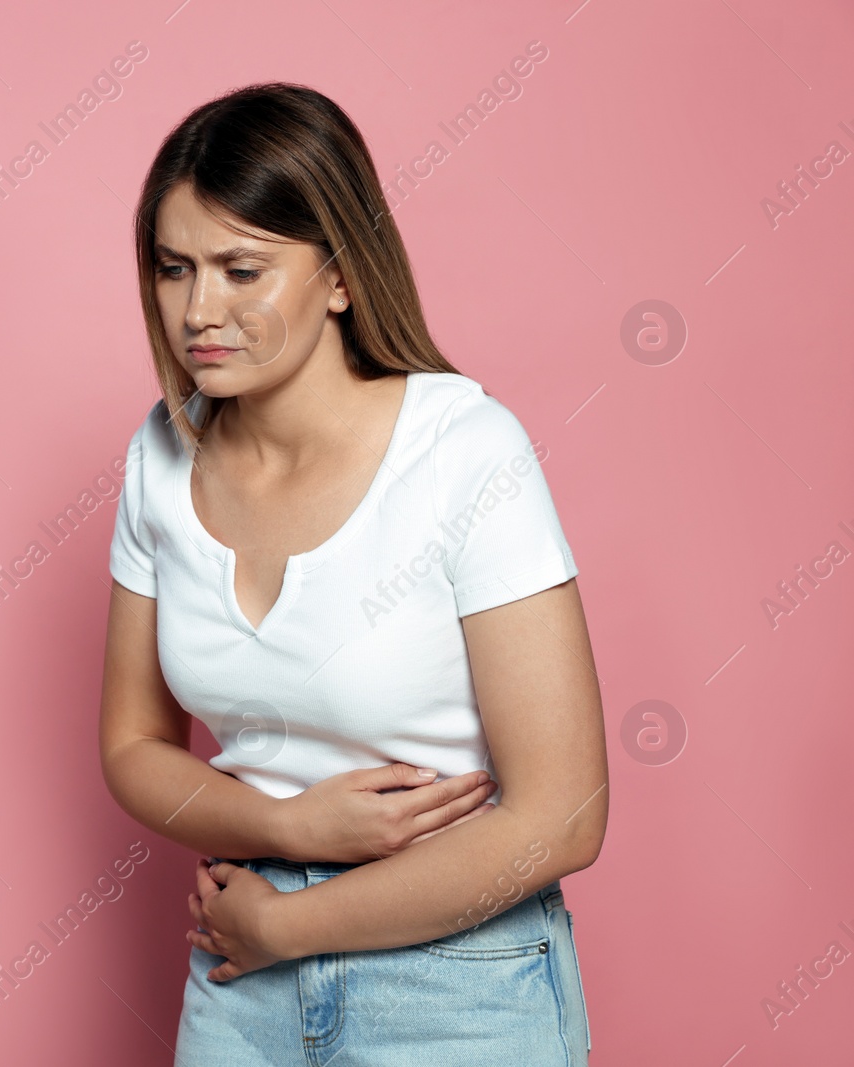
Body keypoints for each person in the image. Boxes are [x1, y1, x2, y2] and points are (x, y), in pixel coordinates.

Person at [98, 82, 607, 1064]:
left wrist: (292, 924)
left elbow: (564, 812)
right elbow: (131, 741)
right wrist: (287, 826)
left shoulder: (463, 451)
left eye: (242, 269)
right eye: (173, 269)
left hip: (457, 977)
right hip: (239, 969)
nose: (199, 310)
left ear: (337, 275)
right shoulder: (159, 456)